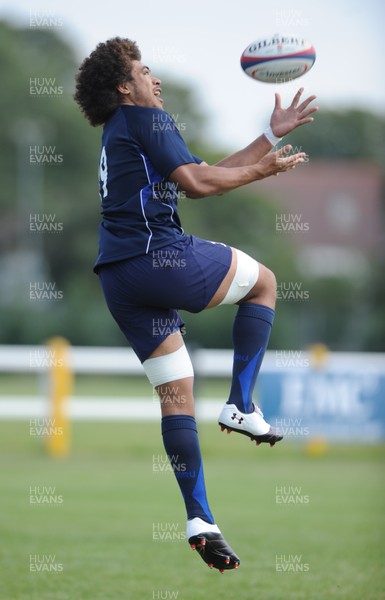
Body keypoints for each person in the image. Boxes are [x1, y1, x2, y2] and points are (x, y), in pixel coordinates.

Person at [74, 37, 318, 573]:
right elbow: (202, 185)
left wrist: (266, 139)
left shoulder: (127, 130)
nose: (154, 79)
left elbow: (208, 171)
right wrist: (264, 171)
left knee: (176, 395)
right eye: (144, 70)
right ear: (124, 86)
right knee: (265, 283)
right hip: (160, 258)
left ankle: (200, 520)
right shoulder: (149, 122)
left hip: (119, 280)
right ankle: (241, 405)